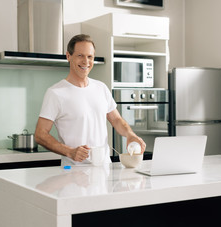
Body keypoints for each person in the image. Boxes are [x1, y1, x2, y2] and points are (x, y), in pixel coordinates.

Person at [35, 34, 146, 166]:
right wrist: (70, 151)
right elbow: (40, 134)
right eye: (80, 55)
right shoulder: (56, 93)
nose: (86, 62)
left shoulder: (101, 88)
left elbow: (116, 120)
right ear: (68, 56)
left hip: (104, 171)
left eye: (90, 57)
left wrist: (130, 134)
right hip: (73, 174)